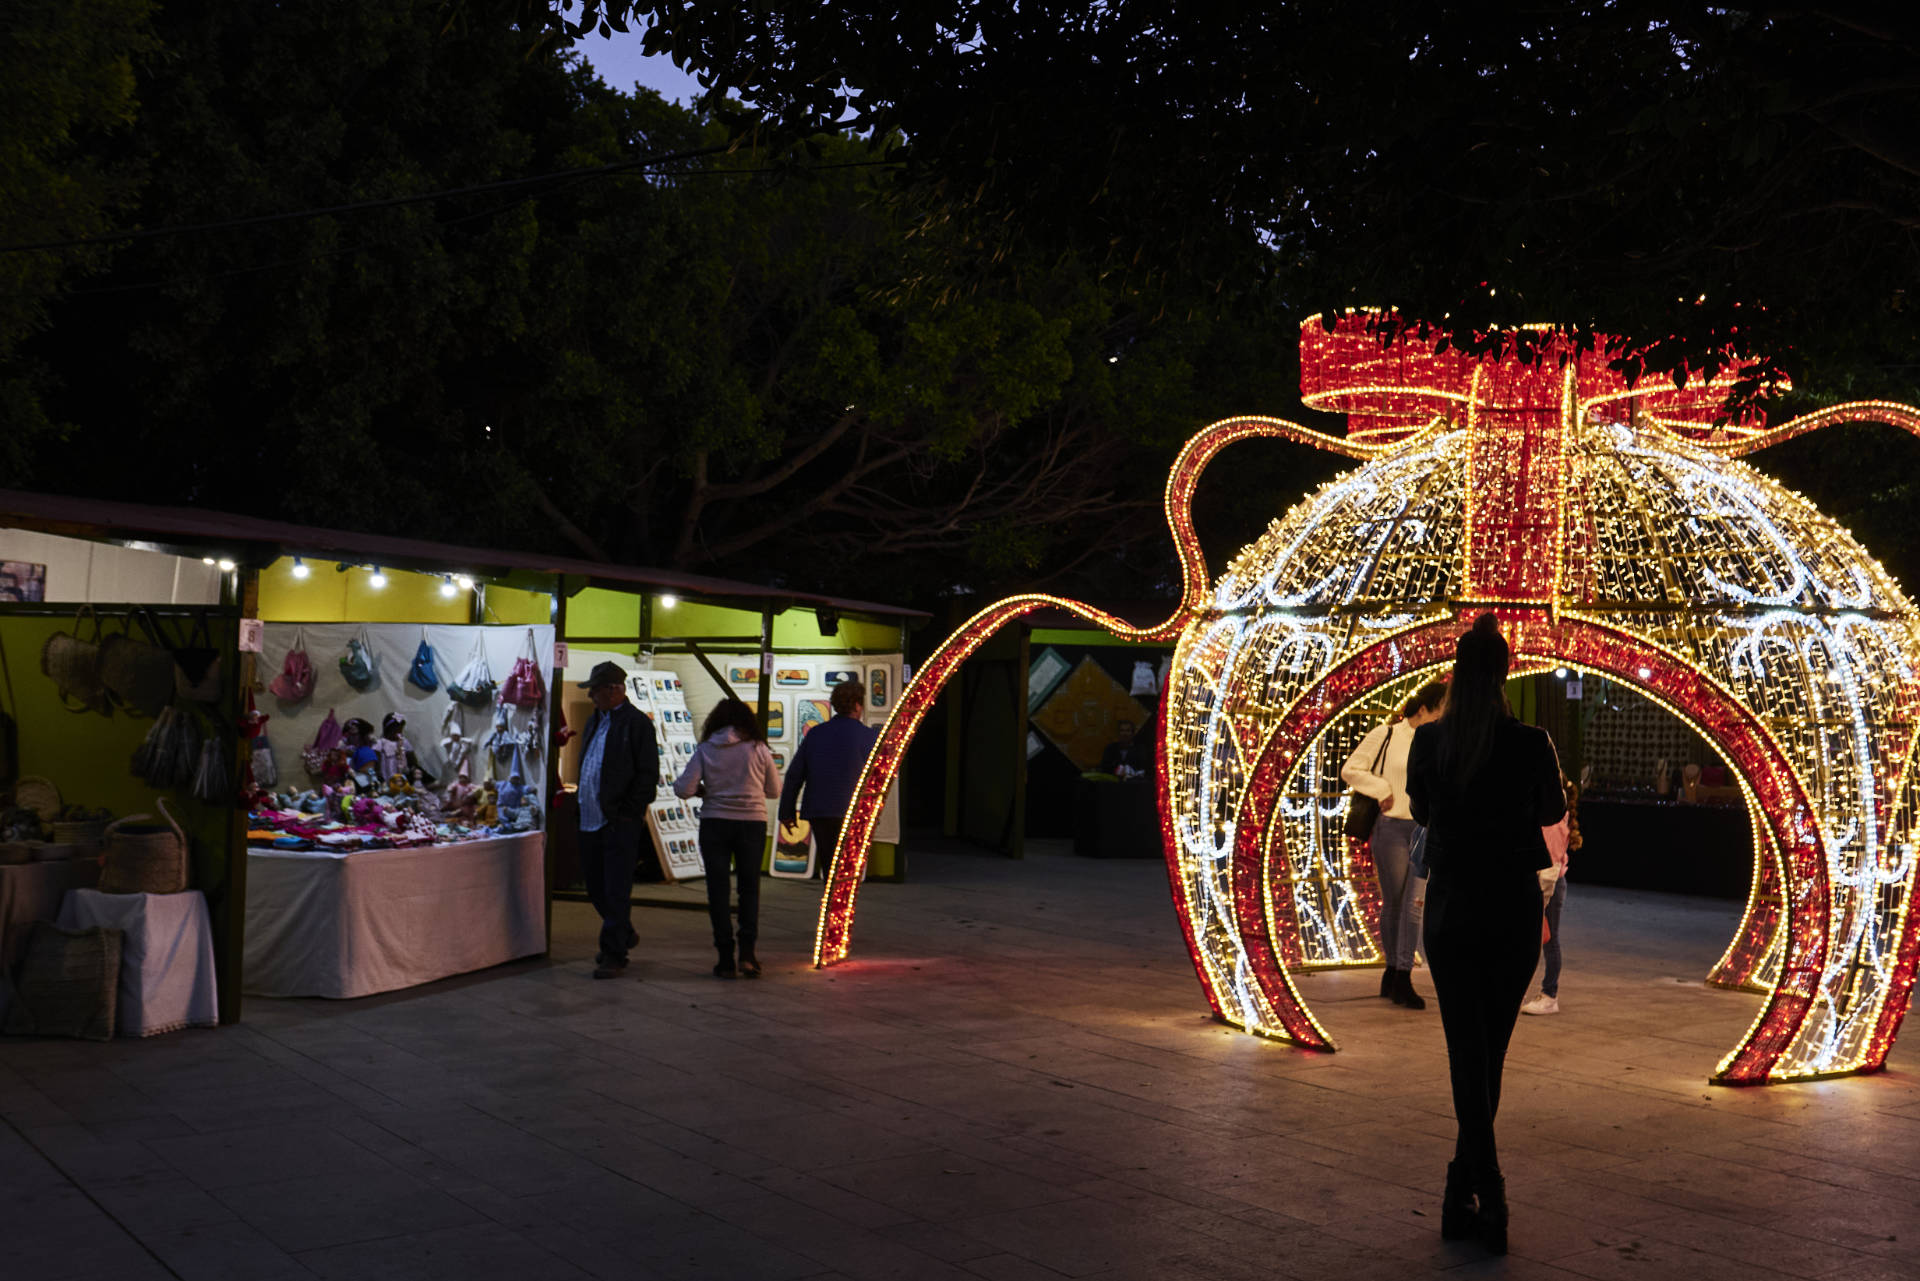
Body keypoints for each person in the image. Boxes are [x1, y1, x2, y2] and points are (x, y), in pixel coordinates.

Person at [1406, 614, 1566, 1256]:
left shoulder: (1429, 743)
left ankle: (1462, 1192)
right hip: (1510, 907)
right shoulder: (1531, 743)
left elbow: (1420, 809)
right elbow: (1553, 812)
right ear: (1504, 674)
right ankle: (1485, 1191)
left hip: (1451, 906)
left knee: (1465, 1051)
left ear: (1456, 674)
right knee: (1488, 1051)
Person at [1341, 679, 1448, 1010]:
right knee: (1395, 902)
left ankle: (1403, 974)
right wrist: (1381, 788)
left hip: (1422, 829)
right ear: (1424, 708)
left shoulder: (1438, 740)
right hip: (1391, 826)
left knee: (1414, 905)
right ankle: (1392, 969)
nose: (1445, 715)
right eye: (1442, 709)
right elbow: (1351, 769)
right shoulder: (1387, 734)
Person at [674, 697, 781, 978]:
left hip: (715, 824)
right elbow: (774, 790)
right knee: (749, 889)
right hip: (752, 824)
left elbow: (684, 789)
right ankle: (747, 955)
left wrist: (702, 790)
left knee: (718, 891)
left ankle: (724, 957)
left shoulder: (706, 748)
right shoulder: (759, 749)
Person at [574, 661, 659, 980]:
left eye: (594, 691)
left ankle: (614, 953)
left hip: (617, 821)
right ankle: (621, 932)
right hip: (589, 818)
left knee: (615, 888)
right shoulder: (595, 720)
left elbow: (647, 773)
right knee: (596, 887)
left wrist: (629, 812)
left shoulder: (637, 724)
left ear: (613, 690)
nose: (591, 697)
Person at [779, 679, 879, 880]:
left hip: (820, 811)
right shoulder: (869, 737)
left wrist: (786, 812)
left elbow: (794, 775)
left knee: (829, 864)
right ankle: (841, 909)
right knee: (849, 869)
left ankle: (830, 905)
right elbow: (877, 780)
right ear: (858, 705)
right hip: (854, 812)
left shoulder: (815, 734)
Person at [1523, 775, 1581, 1016]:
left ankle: (1549, 994)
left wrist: (1541, 897)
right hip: (1540, 882)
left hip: (1548, 885)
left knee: (1548, 940)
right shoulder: (1544, 816)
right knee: (1532, 940)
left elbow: (1551, 864)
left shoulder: (1553, 821)